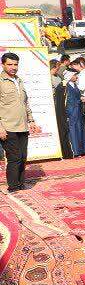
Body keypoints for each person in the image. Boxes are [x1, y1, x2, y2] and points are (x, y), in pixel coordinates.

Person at [0, 53, 38, 192]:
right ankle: (13, 187)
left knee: (23, 157)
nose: (13, 67)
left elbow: (25, 103)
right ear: (3, 64)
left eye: (15, 64)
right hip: (7, 126)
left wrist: (31, 120)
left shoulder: (19, 81)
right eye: (10, 64)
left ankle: (20, 184)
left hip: (22, 126)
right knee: (14, 157)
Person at [64, 70, 85, 157]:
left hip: (78, 110)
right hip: (71, 111)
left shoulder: (74, 85)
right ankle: (75, 151)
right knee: (73, 130)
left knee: (80, 129)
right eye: (74, 75)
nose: (76, 77)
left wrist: (81, 98)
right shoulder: (65, 86)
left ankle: (81, 150)